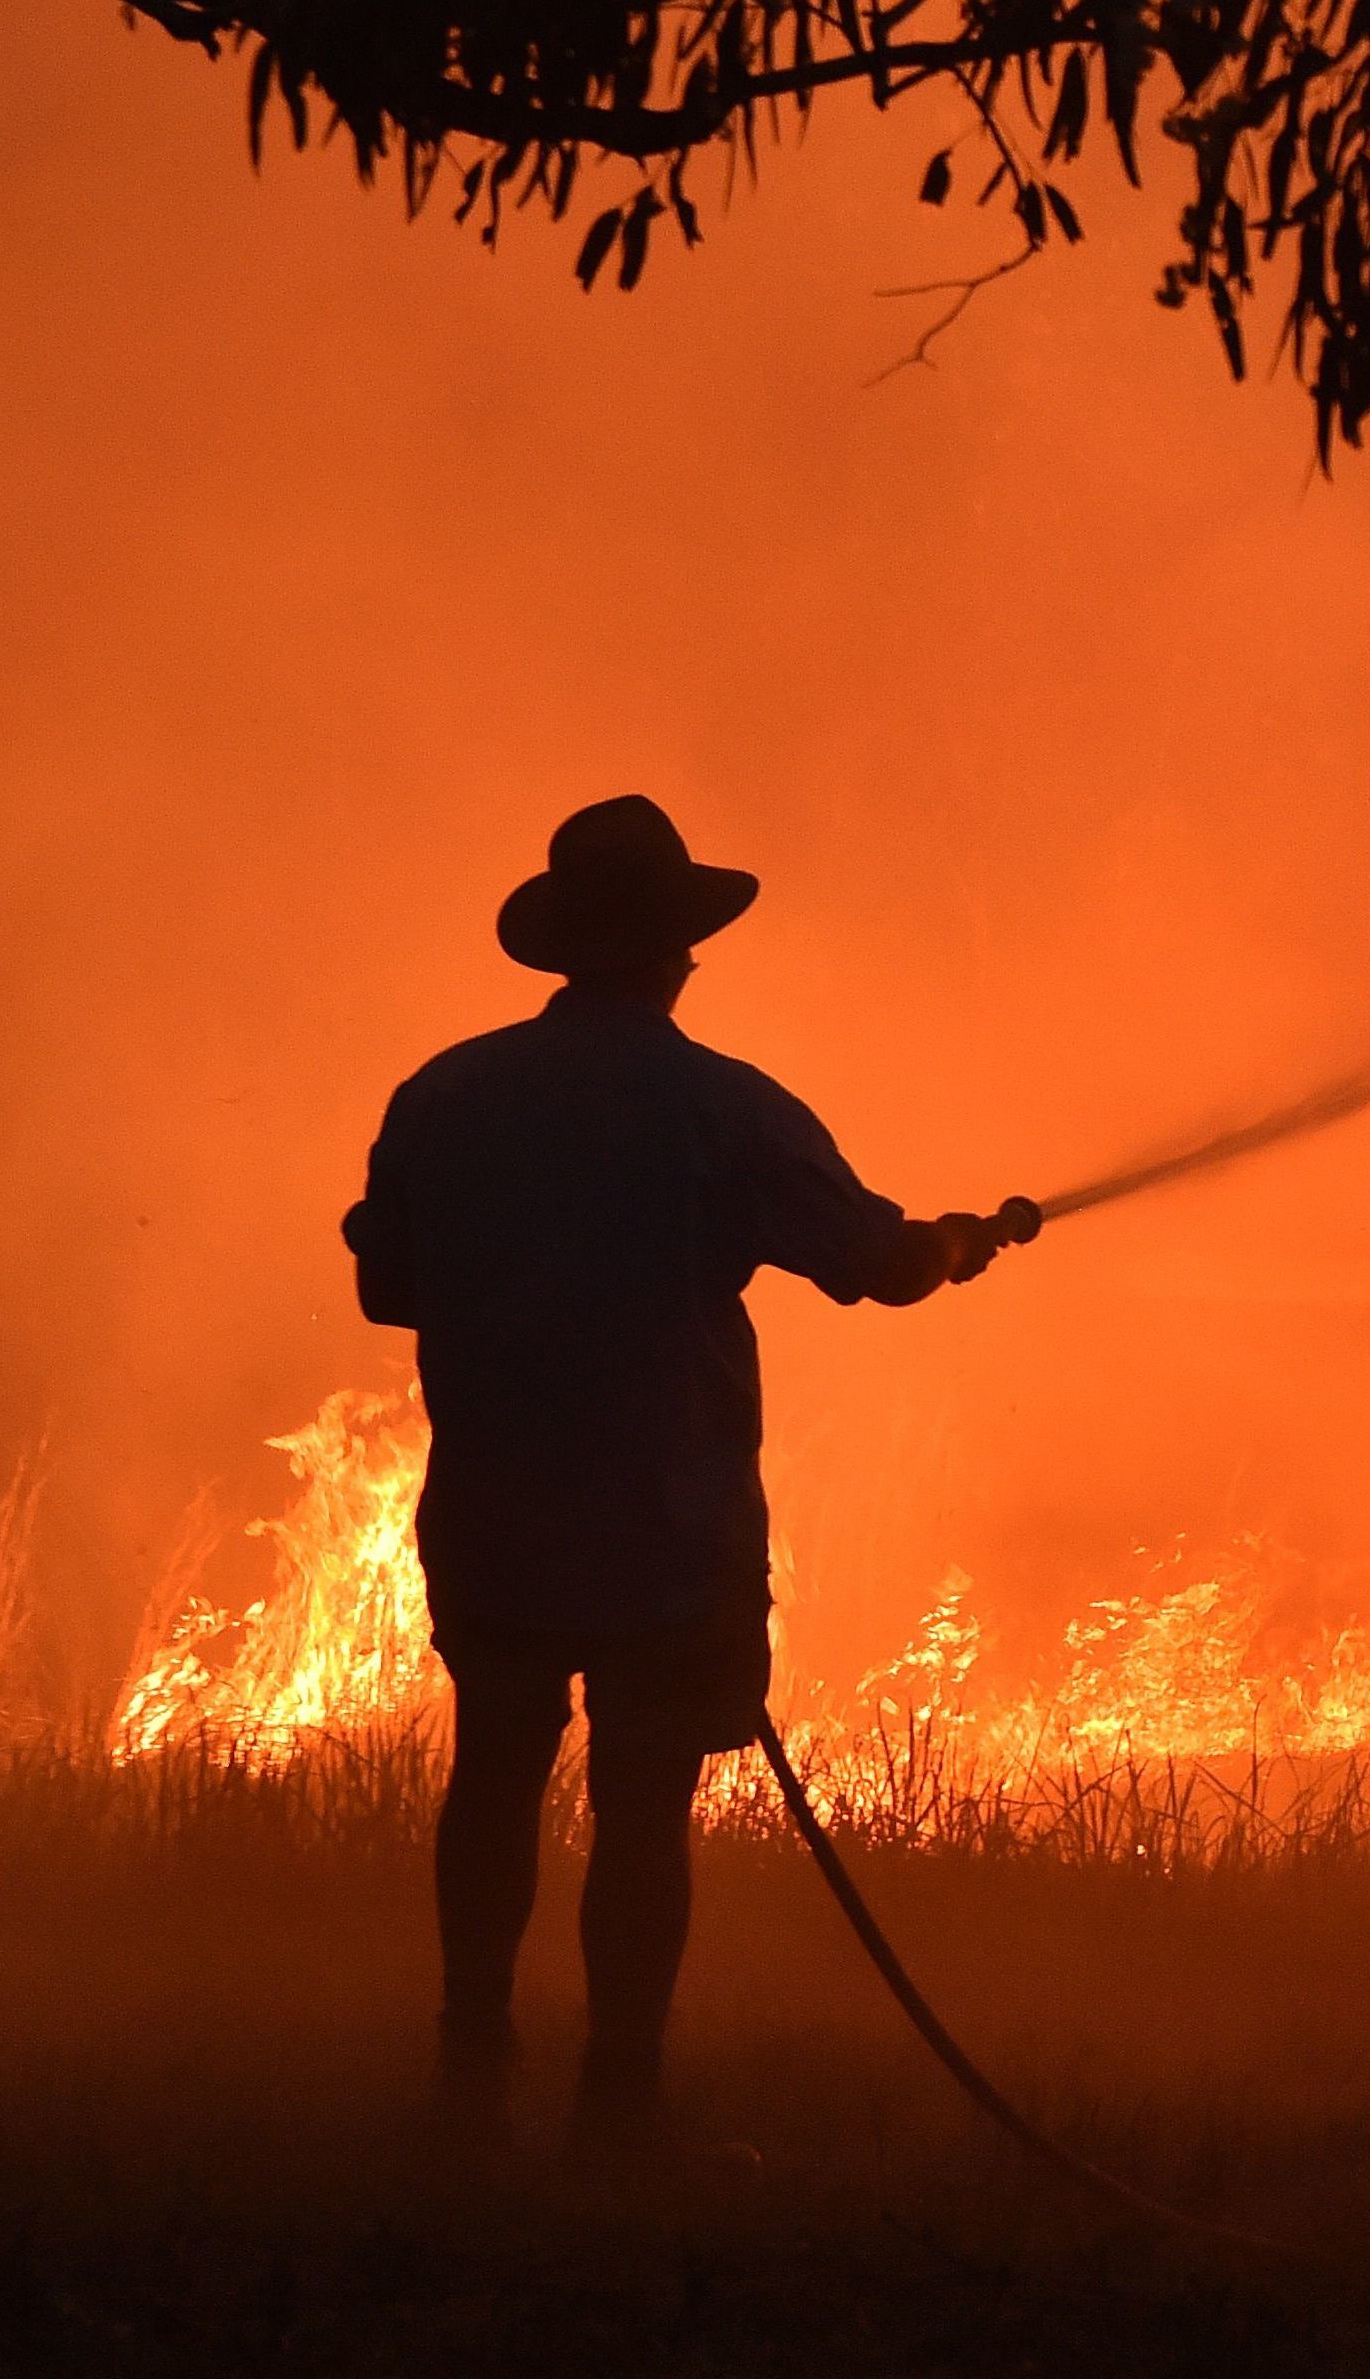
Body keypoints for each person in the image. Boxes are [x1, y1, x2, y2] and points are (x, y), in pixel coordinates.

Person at [344, 795, 1030, 2157]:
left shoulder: (444, 1094)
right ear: (674, 956)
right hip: (666, 1518)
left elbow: (388, 1286)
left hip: (495, 1509)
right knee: (644, 1803)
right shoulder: (723, 1107)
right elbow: (874, 1265)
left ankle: (468, 2065)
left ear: (561, 950)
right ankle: (619, 2094)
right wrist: (960, 1241)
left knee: (492, 1772)